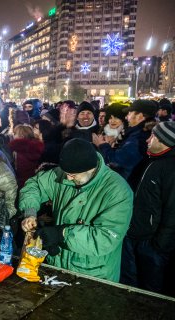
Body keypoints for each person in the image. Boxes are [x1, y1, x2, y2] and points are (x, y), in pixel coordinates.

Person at [20, 138, 133, 282]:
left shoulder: (118, 191)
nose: (67, 177)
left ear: (90, 169)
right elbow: (35, 185)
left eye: (73, 175)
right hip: (58, 265)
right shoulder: (66, 173)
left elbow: (105, 238)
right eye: (66, 172)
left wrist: (62, 234)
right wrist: (30, 212)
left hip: (93, 274)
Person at [120, 122, 175, 294]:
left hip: (150, 243)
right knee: (131, 284)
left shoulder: (170, 168)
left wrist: (159, 245)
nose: (147, 140)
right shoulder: (151, 159)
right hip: (134, 234)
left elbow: (173, 211)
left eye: (153, 137)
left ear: (165, 141)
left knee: (150, 290)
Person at [93, 100, 158, 185]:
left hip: (126, 184)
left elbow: (117, 161)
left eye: (130, 113)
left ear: (140, 116)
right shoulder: (137, 133)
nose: (127, 117)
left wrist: (102, 145)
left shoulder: (138, 138)